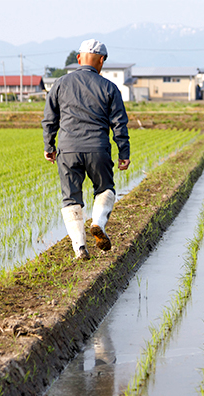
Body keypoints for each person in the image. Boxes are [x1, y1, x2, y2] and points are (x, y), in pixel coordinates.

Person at [42, 39, 130, 260]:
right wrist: (123, 154)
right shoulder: (110, 88)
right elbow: (119, 123)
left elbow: (49, 119)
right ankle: (98, 223)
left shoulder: (60, 84)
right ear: (101, 61)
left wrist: (49, 146)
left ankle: (80, 248)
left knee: (70, 198)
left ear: (79, 58)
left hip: (68, 149)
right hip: (98, 148)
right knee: (105, 188)